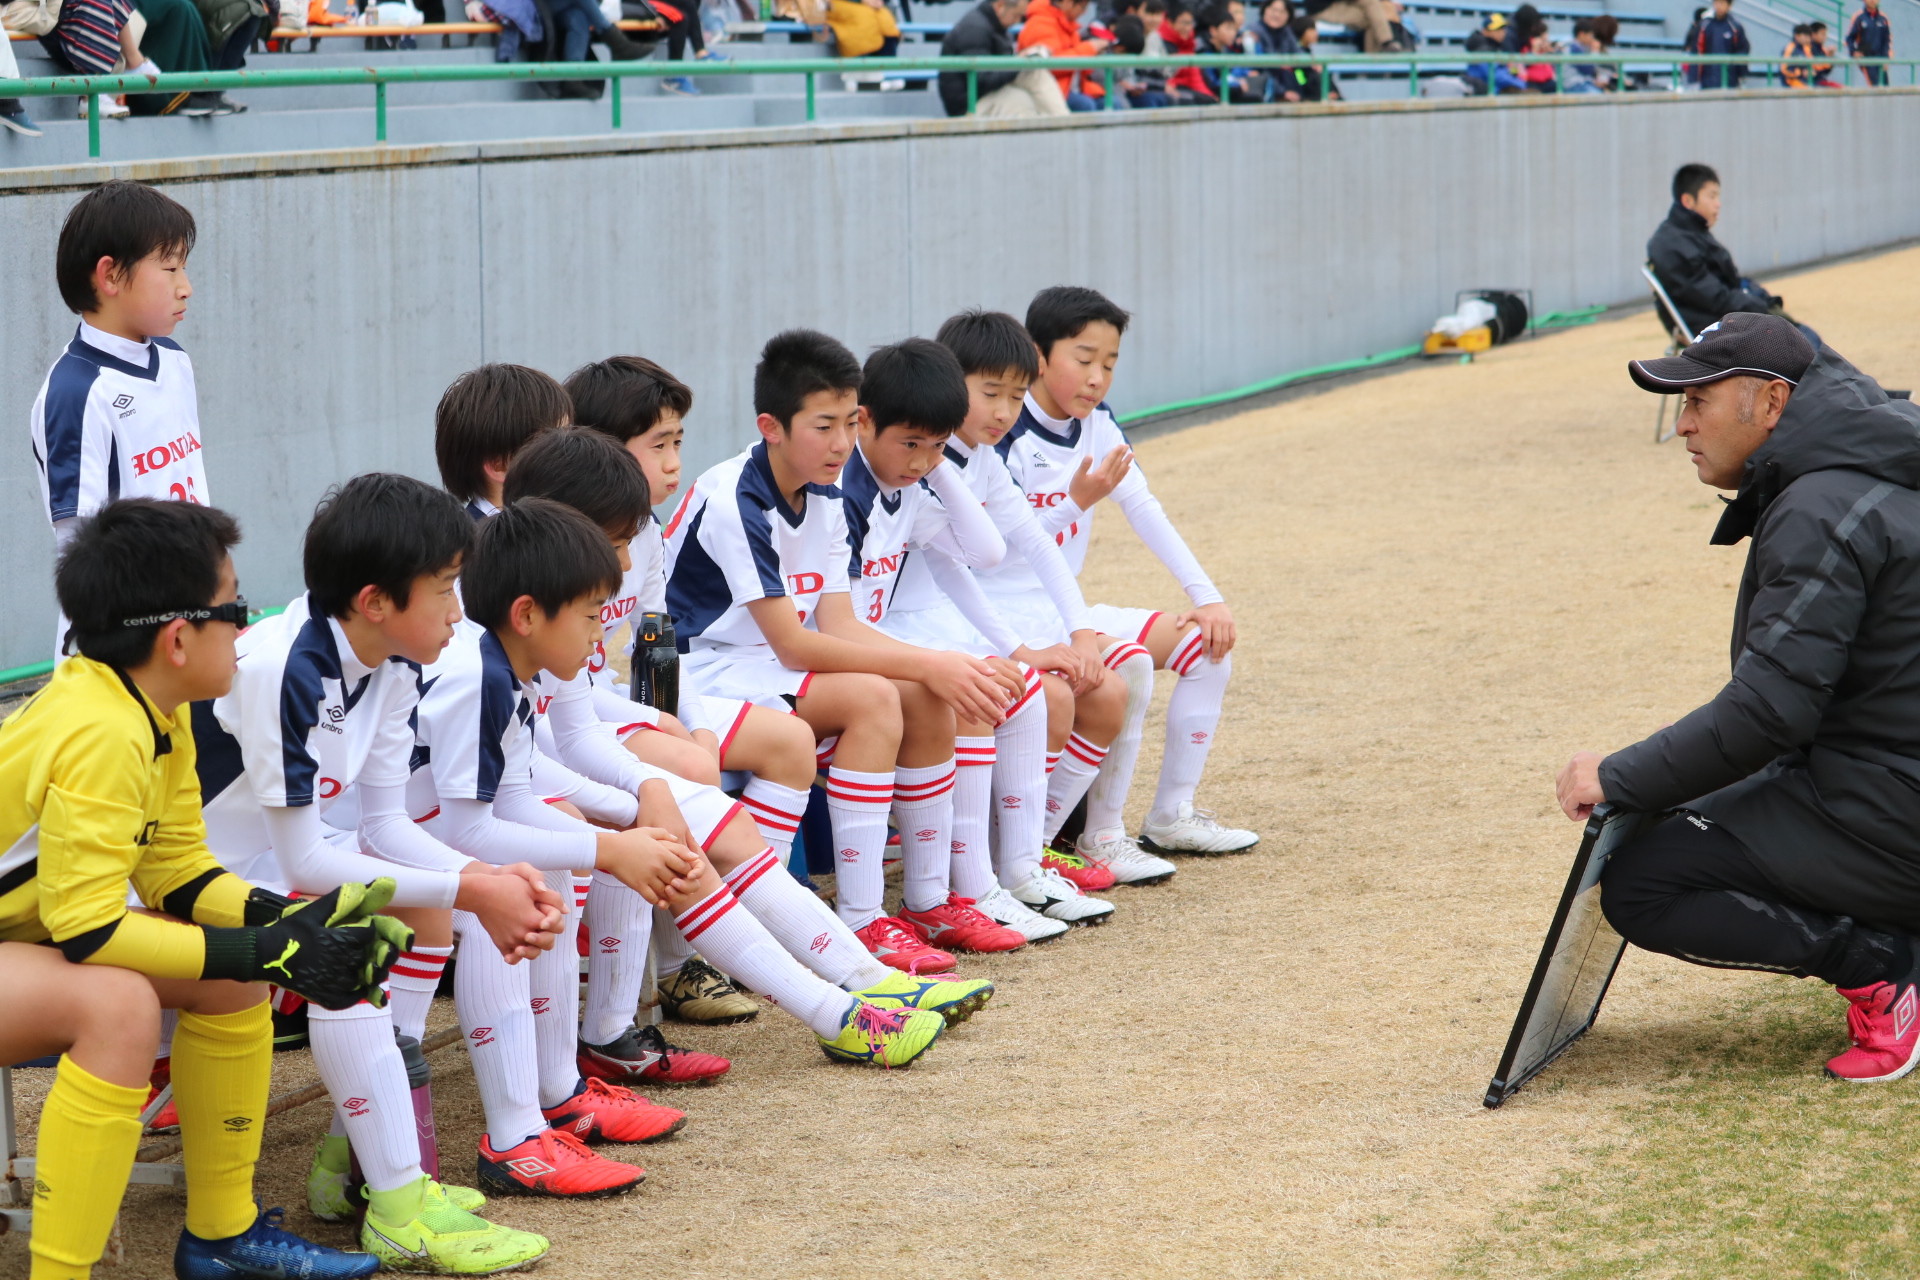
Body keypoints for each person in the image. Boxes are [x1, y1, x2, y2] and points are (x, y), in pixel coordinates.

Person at [0, 498, 420, 1280]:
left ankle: (223, 1240)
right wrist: (271, 949)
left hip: (17, 939)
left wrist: (287, 919)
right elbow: (90, 931)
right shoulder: (103, 729)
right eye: (233, 607)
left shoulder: (154, 703)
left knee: (229, 979)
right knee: (117, 1004)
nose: (247, 621)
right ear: (178, 636)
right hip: (26, 940)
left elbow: (178, 875)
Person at [193, 474, 571, 1272]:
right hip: (180, 883)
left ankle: (353, 1168)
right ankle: (399, 1204)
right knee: (357, 928)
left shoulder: (395, 662)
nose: (458, 612)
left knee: (429, 917)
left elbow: (387, 825)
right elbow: (304, 861)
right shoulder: (279, 668)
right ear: (374, 601)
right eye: (443, 591)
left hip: (255, 868)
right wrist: (478, 885)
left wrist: (487, 875)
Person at [452, 497, 961, 1064]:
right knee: (646, 838)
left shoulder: (520, 647)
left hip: (525, 798)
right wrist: (619, 828)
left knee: (671, 823)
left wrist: (649, 785)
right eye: (594, 615)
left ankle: (860, 985)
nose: (603, 634)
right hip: (455, 850)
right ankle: (571, 1079)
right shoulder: (479, 668)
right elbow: (463, 814)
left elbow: (548, 750)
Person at [1554, 313, 1920, 1085]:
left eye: (1700, 401)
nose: (1683, 425)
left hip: (1894, 802)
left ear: (1772, 404)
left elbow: (1769, 714)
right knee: (1692, 788)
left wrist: (1619, 775)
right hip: (1883, 776)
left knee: (1643, 881)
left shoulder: (1820, 510)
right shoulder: (1865, 469)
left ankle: (1881, 966)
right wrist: (1668, 761)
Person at [663, 330, 1017, 970]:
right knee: (882, 694)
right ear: (771, 426)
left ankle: (927, 901)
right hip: (700, 674)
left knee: (923, 690)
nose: (840, 444)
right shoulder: (733, 496)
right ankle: (859, 917)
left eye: (849, 424)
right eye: (823, 426)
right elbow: (796, 643)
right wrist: (928, 659)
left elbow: (841, 622)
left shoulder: (823, 490)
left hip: (761, 668)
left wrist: (938, 666)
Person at [563, 355, 839, 1019]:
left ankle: (742, 938)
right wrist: (672, 733)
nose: (673, 462)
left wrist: (685, 721)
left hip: (625, 706)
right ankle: (685, 962)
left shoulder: (648, 531)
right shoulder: (565, 539)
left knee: (789, 742)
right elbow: (568, 687)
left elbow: (658, 643)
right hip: (576, 722)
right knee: (688, 764)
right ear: (599, 449)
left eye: (678, 442)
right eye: (657, 445)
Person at [977, 287, 1260, 865]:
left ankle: (1171, 817)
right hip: (1001, 615)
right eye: (1083, 359)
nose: (1097, 378)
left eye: (1109, 364)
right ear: (1038, 353)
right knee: (1126, 664)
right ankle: (1099, 836)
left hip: (1063, 609)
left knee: (1206, 647)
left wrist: (1207, 598)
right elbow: (985, 555)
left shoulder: (1099, 424)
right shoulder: (999, 432)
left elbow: (1144, 509)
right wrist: (1073, 502)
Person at [924, 309, 1155, 906]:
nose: (1004, 411)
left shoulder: (979, 458)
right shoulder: (926, 462)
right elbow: (976, 567)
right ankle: (1000, 866)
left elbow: (1031, 548)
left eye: (1016, 397)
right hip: (946, 630)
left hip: (980, 622)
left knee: (1107, 685)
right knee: (1045, 693)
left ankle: (1038, 846)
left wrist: (1080, 635)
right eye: (990, 394)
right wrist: (1022, 652)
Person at [33, 183, 210, 660]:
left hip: (190, 617)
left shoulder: (174, 360)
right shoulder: (77, 392)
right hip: (119, 641)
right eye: (170, 267)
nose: (185, 285)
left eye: (185, 267)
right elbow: (80, 546)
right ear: (109, 276)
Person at [1648, 163, 1780, 342]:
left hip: (1724, 317)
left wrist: (1762, 299)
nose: (1718, 204)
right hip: (1712, 325)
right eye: (1711, 196)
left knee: (1796, 334)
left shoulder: (1691, 234)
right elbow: (1714, 297)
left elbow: (1728, 283)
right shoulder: (1671, 245)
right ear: (1688, 201)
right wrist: (1761, 306)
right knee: (1792, 338)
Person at [939, 0, 1069, 116]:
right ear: (1000, 5)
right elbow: (983, 80)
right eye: (1015, 15)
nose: (1018, 21)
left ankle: (1063, 121)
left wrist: (1021, 61)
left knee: (1035, 73)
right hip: (968, 107)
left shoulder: (997, 26)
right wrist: (1018, 63)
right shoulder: (974, 28)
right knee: (1020, 101)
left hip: (986, 94)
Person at [1017, 0, 1109, 110]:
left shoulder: (1068, 23)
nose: (1084, 12)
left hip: (1072, 87)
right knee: (1086, 105)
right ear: (1067, 2)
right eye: (1083, 7)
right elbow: (1051, 65)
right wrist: (1089, 48)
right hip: (1049, 90)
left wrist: (1093, 53)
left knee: (1110, 102)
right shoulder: (1040, 23)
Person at [1195, 1, 1261, 100]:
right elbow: (1212, 83)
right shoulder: (1202, 50)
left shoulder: (1225, 48)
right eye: (1228, 28)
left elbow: (1232, 72)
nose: (1232, 33)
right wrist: (1237, 85)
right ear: (1213, 30)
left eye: (1234, 29)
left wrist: (1243, 76)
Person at [1296, 0, 1401, 53]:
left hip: (1337, 3)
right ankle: (1384, 45)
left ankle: (1381, 51)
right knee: (1373, 15)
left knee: (1374, 11)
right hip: (1321, 9)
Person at [1689, 0, 1749, 90]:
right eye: (1716, 2)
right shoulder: (1704, 26)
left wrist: (1742, 76)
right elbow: (1696, 51)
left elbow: (1742, 51)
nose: (1718, 6)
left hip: (1730, 81)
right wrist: (1694, 78)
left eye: (1722, 3)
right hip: (1707, 81)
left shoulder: (1735, 27)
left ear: (1729, 5)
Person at [1463, 11, 1522, 93]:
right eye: (1497, 29)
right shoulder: (1482, 49)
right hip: (1483, 95)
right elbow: (1496, 75)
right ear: (1485, 32)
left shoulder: (1497, 47)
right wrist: (1520, 83)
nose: (1502, 32)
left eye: (1503, 28)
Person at [1561, 15, 1617, 92]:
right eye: (1590, 35)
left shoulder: (1578, 46)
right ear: (1581, 34)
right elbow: (1588, 70)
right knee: (1598, 96)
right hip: (1573, 85)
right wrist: (1595, 52)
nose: (1592, 38)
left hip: (1580, 83)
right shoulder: (1573, 47)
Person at [1847, 0, 1891, 85]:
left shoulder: (1883, 18)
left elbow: (1887, 40)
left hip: (1881, 57)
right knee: (1874, 85)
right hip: (1866, 57)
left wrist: (1886, 58)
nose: (1872, 1)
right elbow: (1850, 38)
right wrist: (1854, 52)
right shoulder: (1859, 17)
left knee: (1886, 87)